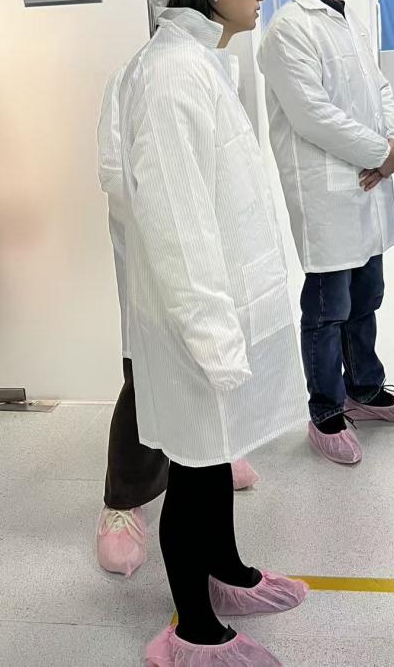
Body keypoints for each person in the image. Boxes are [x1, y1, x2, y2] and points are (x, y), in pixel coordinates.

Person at [116, 0, 308, 667]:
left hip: (220, 308)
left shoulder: (200, 62)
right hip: (193, 319)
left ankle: (225, 572)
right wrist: (214, 337)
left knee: (216, 454)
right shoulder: (169, 75)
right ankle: (192, 630)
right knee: (194, 469)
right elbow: (177, 225)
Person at [257, 0, 394, 467]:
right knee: (328, 307)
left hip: (366, 184)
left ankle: (365, 390)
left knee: (366, 296)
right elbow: (313, 115)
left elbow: (381, 89)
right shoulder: (288, 30)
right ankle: (326, 411)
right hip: (328, 191)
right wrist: (380, 153)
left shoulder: (348, 21)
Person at [95, 67, 260, 580]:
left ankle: (211, 455)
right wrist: (181, 215)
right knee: (146, 378)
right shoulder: (140, 76)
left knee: (211, 367)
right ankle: (123, 497)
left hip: (214, 254)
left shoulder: (218, 69)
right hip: (160, 254)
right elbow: (117, 175)